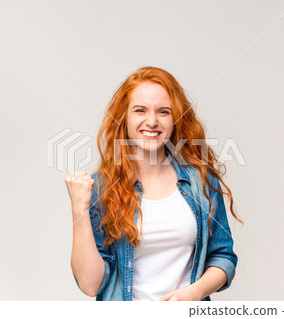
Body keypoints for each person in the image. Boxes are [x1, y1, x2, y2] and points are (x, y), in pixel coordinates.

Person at [65, 66, 242, 301]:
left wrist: (195, 293)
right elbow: (90, 285)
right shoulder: (101, 187)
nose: (152, 121)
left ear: (176, 119)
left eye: (163, 112)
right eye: (140, 110)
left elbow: (223, 256)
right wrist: (79, 210)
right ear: (124, 118)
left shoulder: (201, 182)